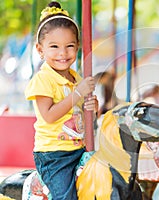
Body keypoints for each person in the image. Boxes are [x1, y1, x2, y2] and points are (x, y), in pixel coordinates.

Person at [24, 1, 98, 199]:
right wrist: (78, 95)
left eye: (69, 46)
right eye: (54, 47)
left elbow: (84, 112)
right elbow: (48, 115)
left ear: (78, 47)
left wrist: (92, 106)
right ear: (40, 49)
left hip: (79, 149)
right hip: (54, 155)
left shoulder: (76, 78)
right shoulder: (44, 79)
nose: (63, 53)